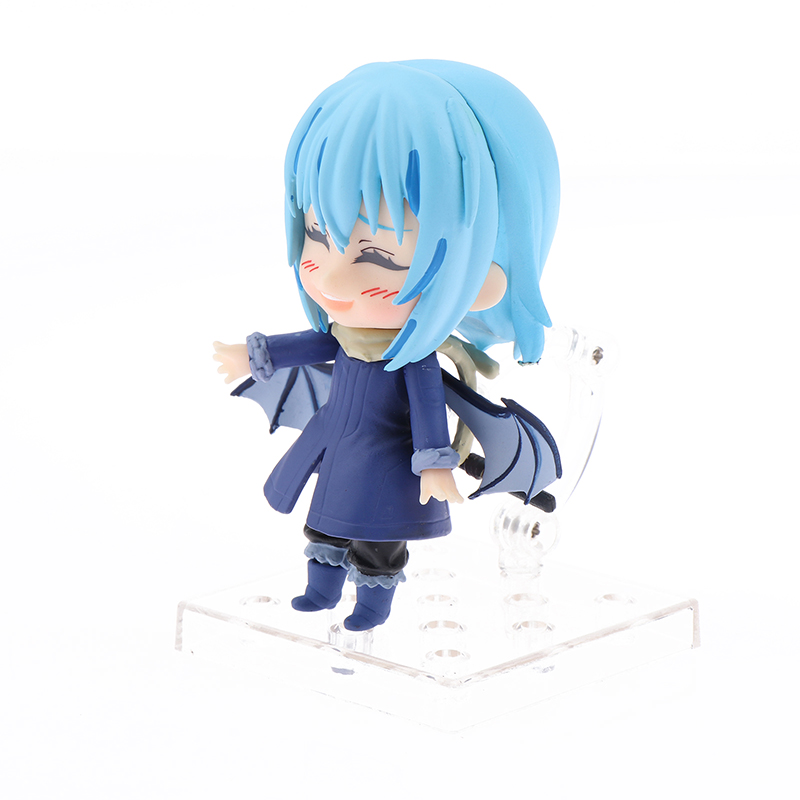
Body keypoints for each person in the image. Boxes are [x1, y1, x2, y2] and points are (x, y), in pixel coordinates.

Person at [213, 60, 560, 630]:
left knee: (378, 544)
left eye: (378, 256)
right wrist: (251, 354)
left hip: (388, 462)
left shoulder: (415, 359)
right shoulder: (344, 335)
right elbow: (311, 345)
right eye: (318, 233)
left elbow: (428, 410)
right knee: (322, 526)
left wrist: (435, 464)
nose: (331, 278)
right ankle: (321, 591)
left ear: (479, 276)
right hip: (334, 445)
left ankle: (371, 607)